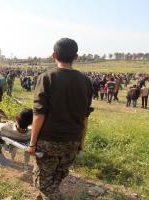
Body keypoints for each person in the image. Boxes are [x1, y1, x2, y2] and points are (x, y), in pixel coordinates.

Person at [28, 38, 93, 200]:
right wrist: (81, 143)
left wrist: (32, 143)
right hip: (73, 140)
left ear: (53, 55)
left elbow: (39, 114)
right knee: (57, 176)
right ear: (76, 57)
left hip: (49, 141)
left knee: (43, 182)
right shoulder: (86, 81)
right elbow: (85, 117)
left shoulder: (47, 77)